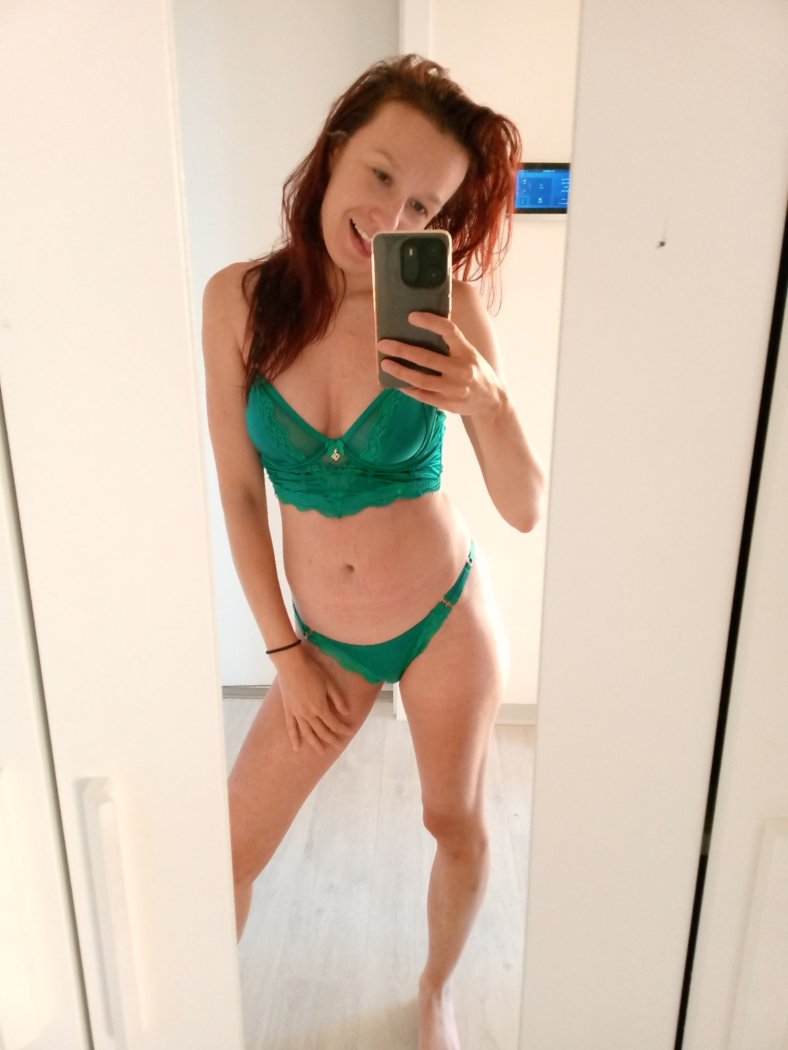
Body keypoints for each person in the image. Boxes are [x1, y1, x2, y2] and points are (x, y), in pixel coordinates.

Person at [202, 54, 544, 1050]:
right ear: (336, 146)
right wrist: (283, 653)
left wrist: (488, 401)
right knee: (227, 850)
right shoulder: (239, 302)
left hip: (443, 619)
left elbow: (523, 507)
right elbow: (239, 491)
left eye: (423, 205)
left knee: (454, 823)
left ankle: (435, 991)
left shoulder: (447, 307)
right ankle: (198, 1016)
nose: (391, 217)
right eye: (381, 175)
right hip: (322, 644)